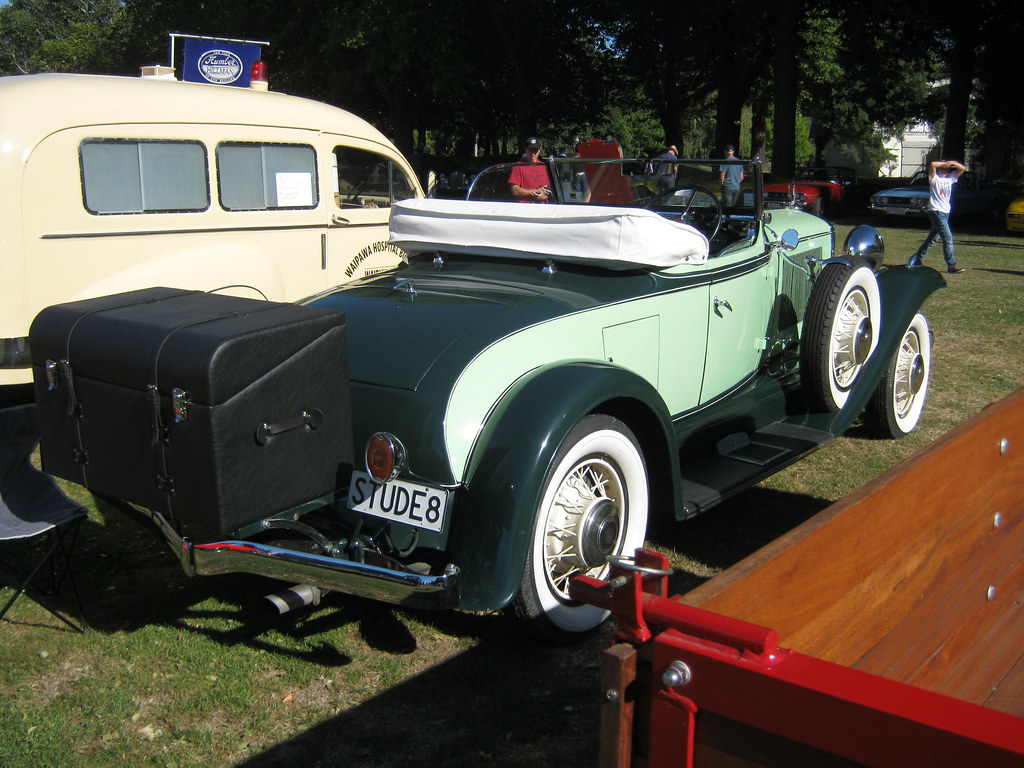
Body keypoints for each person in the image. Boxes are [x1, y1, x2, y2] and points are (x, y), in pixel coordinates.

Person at [907, 159, 967, 274]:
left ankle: (917, 259)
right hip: (936, 211)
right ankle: (951, 265)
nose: (944, 170)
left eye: (946, 169)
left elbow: (962, 169)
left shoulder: (950, 178)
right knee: (948, 238)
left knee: (933, 239)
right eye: (942, 168)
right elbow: (932, 165)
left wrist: (951, 163)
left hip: (945, 212)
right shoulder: (934, 178)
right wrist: (944, 164)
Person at [508, 138, 552, 202]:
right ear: (525, 149)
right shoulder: (518, 166)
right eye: (530, 150)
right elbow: (515, 191)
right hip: (524, 207)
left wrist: (544, 196)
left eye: (535, 150)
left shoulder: (543, 166)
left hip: (542, 207)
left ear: (540, 150)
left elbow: (547, 188)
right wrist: (534, 192)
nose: (533, 153)